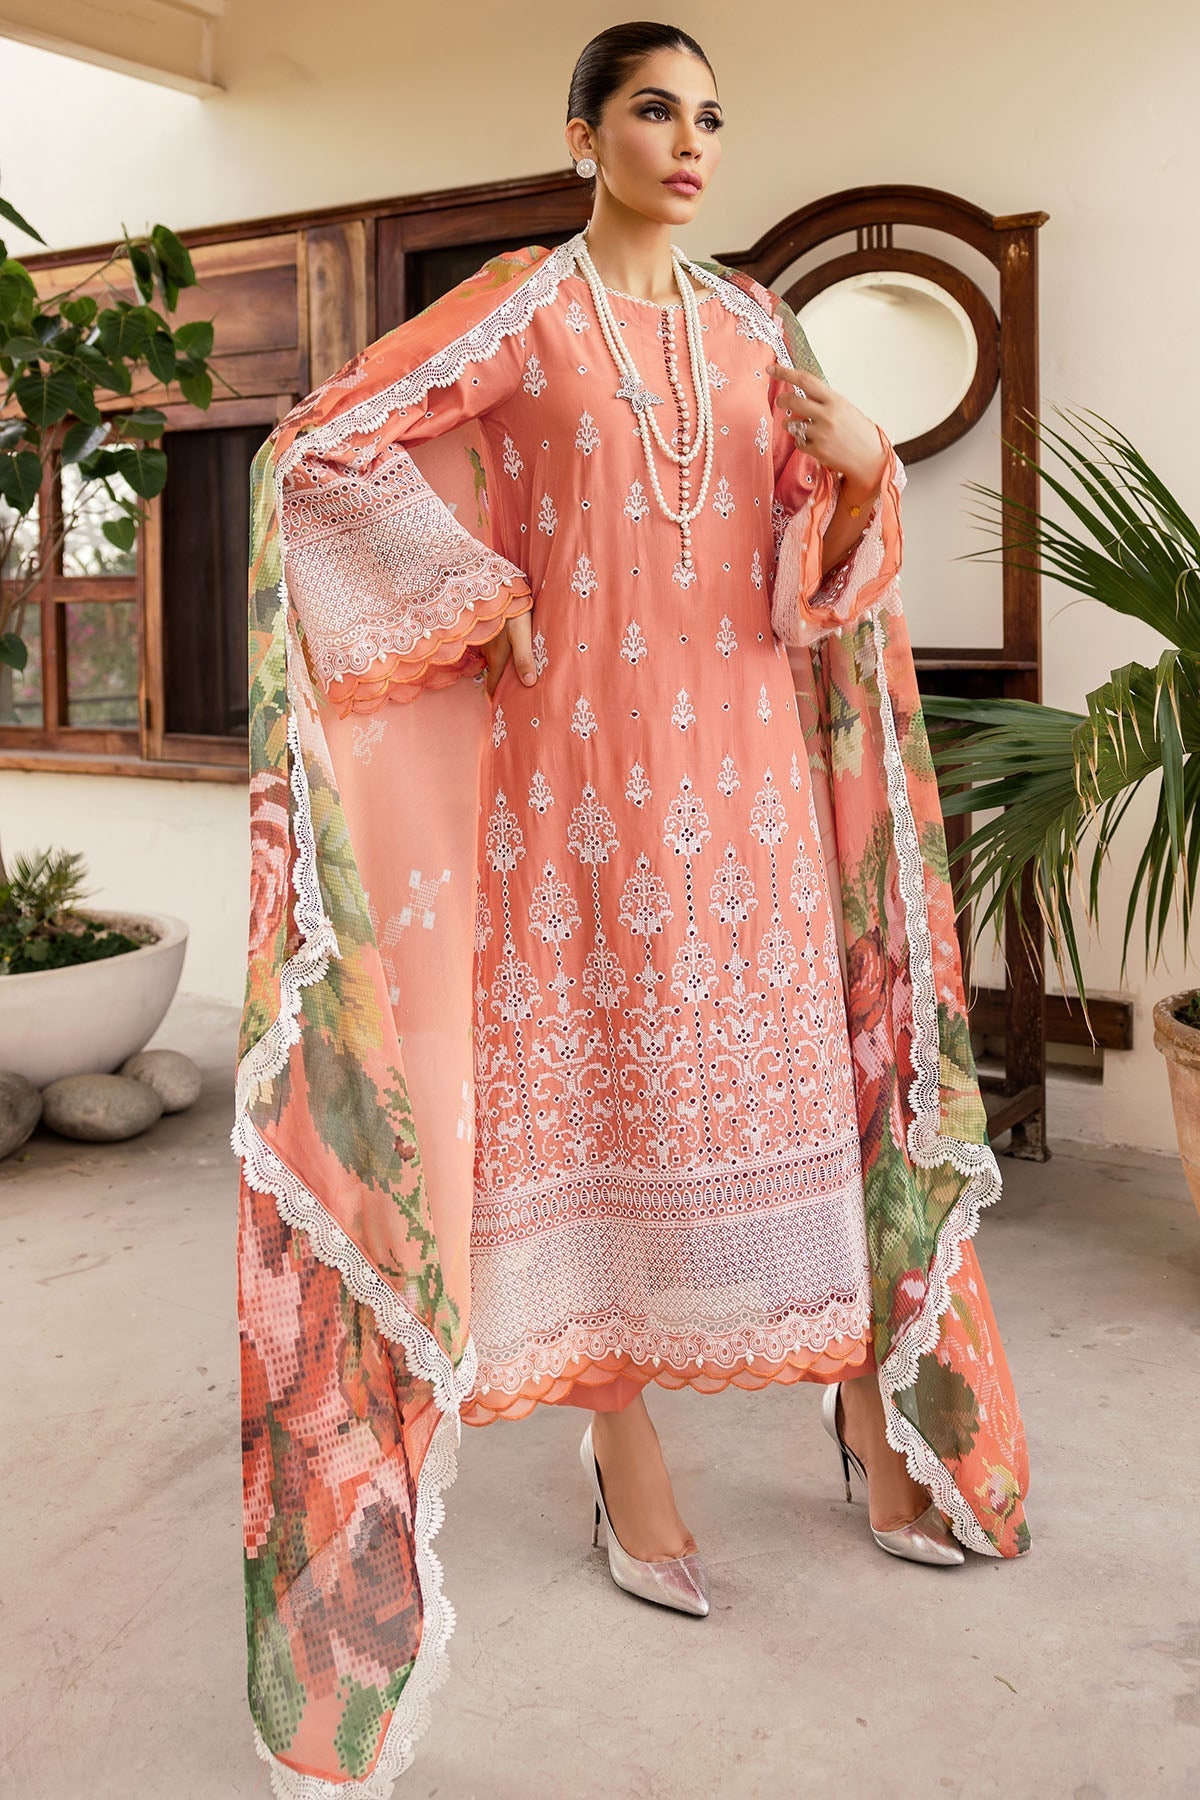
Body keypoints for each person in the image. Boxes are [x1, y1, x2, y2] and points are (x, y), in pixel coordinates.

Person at [236, 21, 1031, 1795]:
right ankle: (626, 1458)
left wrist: (865, 466)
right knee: (597, 1121)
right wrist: (470, 584)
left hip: (748, 791)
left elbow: (811, 590)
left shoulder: (756, 327)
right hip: (571, 799)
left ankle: (862, 1415)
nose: (690, 141)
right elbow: (317, 456)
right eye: (655, 110)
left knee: (799, 1110)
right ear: (583, 134)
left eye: (710, 117)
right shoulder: (523, 314)